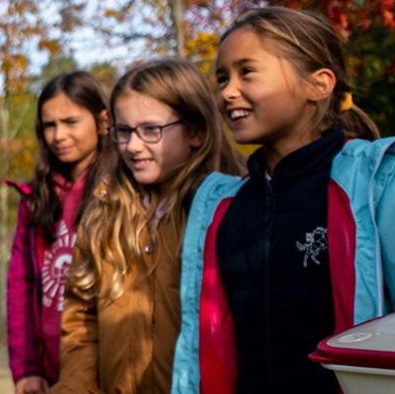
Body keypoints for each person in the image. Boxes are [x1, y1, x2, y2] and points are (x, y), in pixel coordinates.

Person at [171, 6, 395, 394]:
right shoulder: (220, 206)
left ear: (318, 85)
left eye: (247, 72)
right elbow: (199, 341)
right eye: (222, 78)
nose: (227, 91)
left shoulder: (380, 182)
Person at [52, 58, 245, 393]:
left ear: (196, 131)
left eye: (151, 130)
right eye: (124, 131)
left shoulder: (229, 212)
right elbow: (81, 320)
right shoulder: (103, 212)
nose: (133, 146)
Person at [6, 70, 114, 394]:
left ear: (103, 121)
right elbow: (20, 287)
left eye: (70, 122)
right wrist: (26, 368)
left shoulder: (123, 192)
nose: (58, 135)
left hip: (109, 367)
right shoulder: (35, 199)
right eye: (49, 125)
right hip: (50, 371)